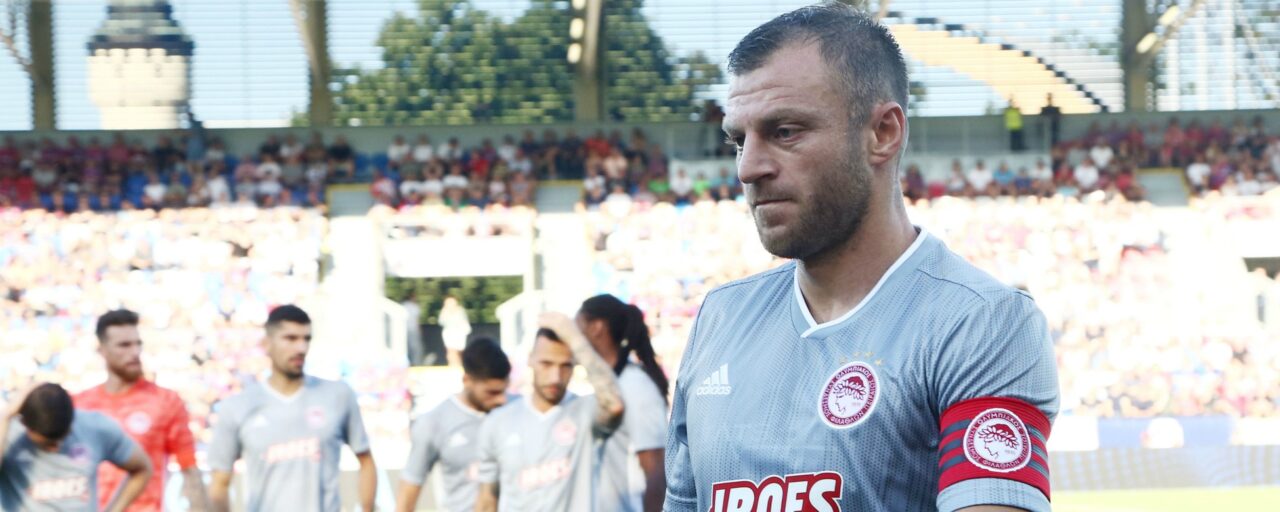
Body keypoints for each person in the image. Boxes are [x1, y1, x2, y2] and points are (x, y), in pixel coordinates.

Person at [671, 5, 1058, 512]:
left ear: (883, 133)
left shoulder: (981, 323)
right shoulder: (721, 318)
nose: (748, 168)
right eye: (739, 140)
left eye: (785, 132)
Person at [208, 305, 377, 512]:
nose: (301, 348)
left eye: (306, 339)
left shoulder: (338, 395)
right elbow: (219, 483)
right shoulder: (238, 406)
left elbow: (366, 461)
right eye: (290, 338)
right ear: (267, 343)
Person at [473, 314, 625, 512]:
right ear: (530, 360)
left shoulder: (586, 412)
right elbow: (487, 500)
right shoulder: (498, 422)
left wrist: (576, 339)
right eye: (546, 364)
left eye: (565, 366)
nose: (555, 377)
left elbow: (614, 405)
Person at [73, 310, 209, 512]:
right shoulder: (79, 405)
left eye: (138, 344)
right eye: (124, 345)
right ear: (102, 350)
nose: (135, 352)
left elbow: (189, 469)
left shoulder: (165, 401)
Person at [396, 338, 512, 512]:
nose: (501, 399)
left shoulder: (515, 412)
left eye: (504, 390)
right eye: (492, 392)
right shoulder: (433, 423)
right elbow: (409, 490)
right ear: (467, 380)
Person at [577, 295, 668, 512]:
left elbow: (656, 470)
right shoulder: (612, 384)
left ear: (596, 328)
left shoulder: (635, 386)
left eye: (577, 325)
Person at [1, 383, 153, 512]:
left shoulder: (95, 427)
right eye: (48, 443)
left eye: (62, 438)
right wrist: (5, 416)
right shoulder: (8, 435)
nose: (56, 448)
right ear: (26, 426)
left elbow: (142, 469)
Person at [439, 297, 472, 367]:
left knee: (460, 351)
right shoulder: (444, 311)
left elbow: (464, 321)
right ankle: (452, 365)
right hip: (449, 334)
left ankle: (461, 364)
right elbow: (441, 322)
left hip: (460, 334)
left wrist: (466, 330)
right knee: (451, 350)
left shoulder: (461, 310)